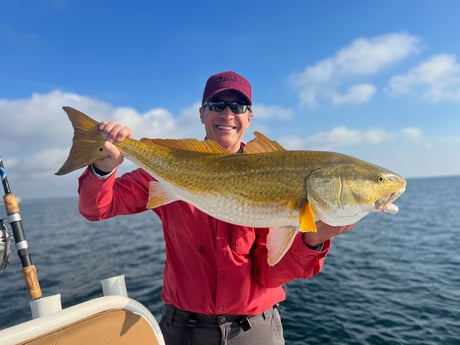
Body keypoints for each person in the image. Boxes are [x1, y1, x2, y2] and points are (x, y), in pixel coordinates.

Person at [77, 71, 355, 345]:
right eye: (217, 105)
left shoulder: (276, 171)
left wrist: (313, 238)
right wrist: (103, 166)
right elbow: (96, 208)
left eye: (238, 106)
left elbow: (270, 273)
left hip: (254, 330)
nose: (228, 114)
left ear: (250, 116)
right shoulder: (170, 165)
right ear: (202, 113)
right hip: (183, 330)